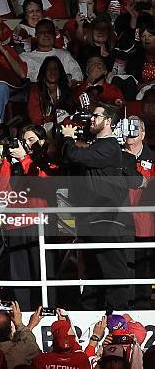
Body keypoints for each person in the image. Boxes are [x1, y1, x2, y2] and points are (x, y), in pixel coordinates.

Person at [61, 103, 135, 309]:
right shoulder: (98, 146)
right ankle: (93, 315)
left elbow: (74, 156)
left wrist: (68, 137)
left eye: (96, 116)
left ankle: (119, 318)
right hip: (94, 219)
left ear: (109, 121)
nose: (91, 119)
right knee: (94, 272)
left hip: (108, 220)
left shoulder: (109, 146)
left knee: (114, 271)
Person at [0, 124, 61, 309]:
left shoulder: (49, 161)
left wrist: (24, 159)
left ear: (42, 141)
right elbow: (1, 191)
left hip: (40, 224)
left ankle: (48, 310)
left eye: (31, 140)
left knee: (44, 272)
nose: (27, 144)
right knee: (19, 276)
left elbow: (43, 183)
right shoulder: (14, 162)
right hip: (15, 224)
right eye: (24, 141)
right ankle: (21, 315)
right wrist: (7, 161)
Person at [123, 116, 155, 309]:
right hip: (119, 225)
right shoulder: (114, 156)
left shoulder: (153, 159)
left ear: (143, 134)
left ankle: (142, 310)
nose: (130, 131)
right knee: (122, 271)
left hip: (146, 226)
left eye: (135, 128)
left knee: (144, 270)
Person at [20, 19, 83, 83]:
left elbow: (77, 74)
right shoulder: (25, 57)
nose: (46, 34)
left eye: (49, 32)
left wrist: (72, 82)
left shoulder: (65, 54)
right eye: (42, 32)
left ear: (54, 35)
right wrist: (62, 79)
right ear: (36, 36)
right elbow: (31, 78)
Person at [27, 56, 74, 126]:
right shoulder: (36, 90)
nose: (52, 72)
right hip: (41, 129)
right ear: (44, 71)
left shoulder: (65, 89)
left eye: (55, 68)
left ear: (60, 72)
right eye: (49, 69)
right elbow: (36, 119)